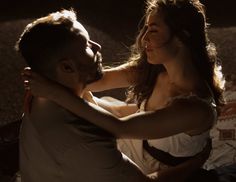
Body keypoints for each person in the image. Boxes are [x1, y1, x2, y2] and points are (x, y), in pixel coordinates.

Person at [23, 0, 225, 177]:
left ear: (182, 37)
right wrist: (50, 70)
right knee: (84, 97)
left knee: (89, 131)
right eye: (145, 28)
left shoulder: (196, 108)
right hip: (140, 140)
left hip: (158, 166)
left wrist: (54, 92)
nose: (143, 38)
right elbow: (94, 80)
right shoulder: (153, 69)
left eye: (153, 30)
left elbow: (120, 128)